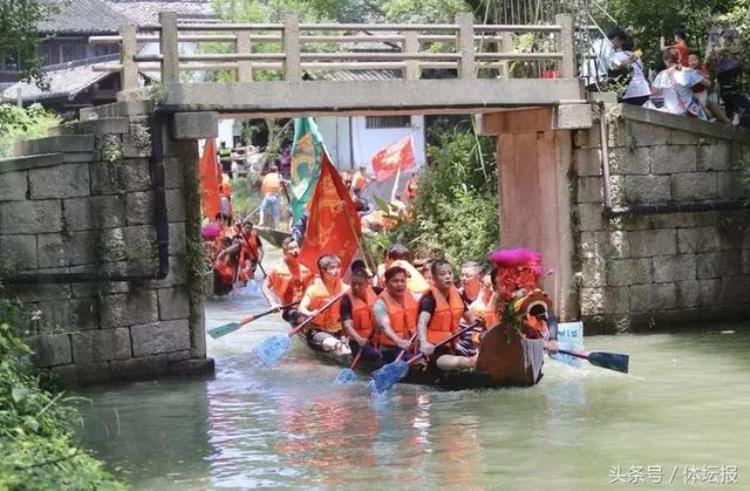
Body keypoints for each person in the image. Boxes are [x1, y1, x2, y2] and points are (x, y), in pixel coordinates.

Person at [417, 260, 476, 371]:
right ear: (434, 278)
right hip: (432, 350)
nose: (447, 277)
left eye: (450, 273)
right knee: (467, 362)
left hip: (451, 346)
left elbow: (471, 319)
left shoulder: (456, 295)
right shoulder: (429, 298)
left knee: (469, 359)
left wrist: (480, 324)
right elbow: (422, 322)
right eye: (442, 274)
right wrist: (424, 343)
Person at [298, 254, 351, 356]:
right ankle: (338, 346)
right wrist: (309, 313)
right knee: (338, 346)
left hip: (339, 330)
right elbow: (301, 308)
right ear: (323, 270)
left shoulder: (347, 289)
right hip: (317, 330)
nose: (336, 270)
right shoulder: (313, 289)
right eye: (332, 268)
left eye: (338, 267)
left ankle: (344, 347)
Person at [262, 237, 314, 324]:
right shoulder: (278, 270)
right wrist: (273, 303)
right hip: (290, 309)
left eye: (296, 247)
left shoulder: (307, 267)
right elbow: (265, 286)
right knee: (302, 318)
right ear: (284, 252)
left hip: (306, 307)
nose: (295, 251)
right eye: (291, 249)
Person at [372, 266, 417, 363]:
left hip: (412, 345)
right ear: (386, 283)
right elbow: (384, 326)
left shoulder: (410, 295)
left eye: (402, 281)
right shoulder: (380, 303)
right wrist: (398, 341)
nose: (400, 284)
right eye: (395, 281)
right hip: (390, 348)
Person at [652, 47, 709, 120]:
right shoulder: (688, 72)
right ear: (679, 58)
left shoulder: (660, 76)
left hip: (672, 116)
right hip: (691, 114)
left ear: (666, 61)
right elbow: (707, 83)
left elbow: (654, 97)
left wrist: (663, 109)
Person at [341, 266, 382, 362]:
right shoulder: (346, 300)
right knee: (375, 356)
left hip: (376, 340)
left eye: (360, 284)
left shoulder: (376, 291)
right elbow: (347, 326)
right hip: (356, 342)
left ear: (367, 283)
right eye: (353, 283)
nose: (356, 287)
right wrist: (359, 339)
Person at [687, 52, 730, 123]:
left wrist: (699, 74)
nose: (693, 62)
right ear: (687, 62)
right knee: (705, 110)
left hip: (703, 95)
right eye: (690, 60)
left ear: (698, 61)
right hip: (694, 98)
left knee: (714, 106)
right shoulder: (686, 71)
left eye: (694, 60)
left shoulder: (701, 69)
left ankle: (728, 123)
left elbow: (708, 79)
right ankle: (712, 119)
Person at [611, 37, 651, 106]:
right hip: (644, 90)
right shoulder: (637, 56)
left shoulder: (617, 55)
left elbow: (614, 67)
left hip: (630, 91)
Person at [259, 163, 283, 228]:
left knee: (262, 209)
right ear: (276, 170)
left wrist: (264, 194)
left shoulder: (267, 176)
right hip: (275, 197)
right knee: (276, 213)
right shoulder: (279, 175)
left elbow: (263, 185)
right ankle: (277, 226)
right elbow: (282, 183)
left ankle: (261, 221)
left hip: (267, 196)